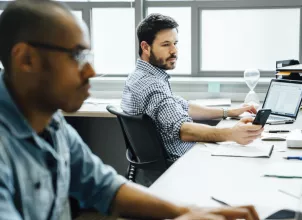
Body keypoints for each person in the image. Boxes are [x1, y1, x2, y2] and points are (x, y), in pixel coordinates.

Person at [0, 1, 260, 219]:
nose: (90, 72)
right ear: (26, 59)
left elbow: (105, 187)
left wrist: (187, 211)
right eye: (77, 56)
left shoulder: (52, 124)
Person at [121, 13, 263, 161]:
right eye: (166, 44)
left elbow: (184, 107)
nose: (174, 51)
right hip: (178, 164)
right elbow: (182, 129)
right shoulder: (152, 85)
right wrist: (231, 134)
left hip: (171, 162)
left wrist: (228, 111)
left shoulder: (139, 76)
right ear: (145, 47)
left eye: (175, 43)